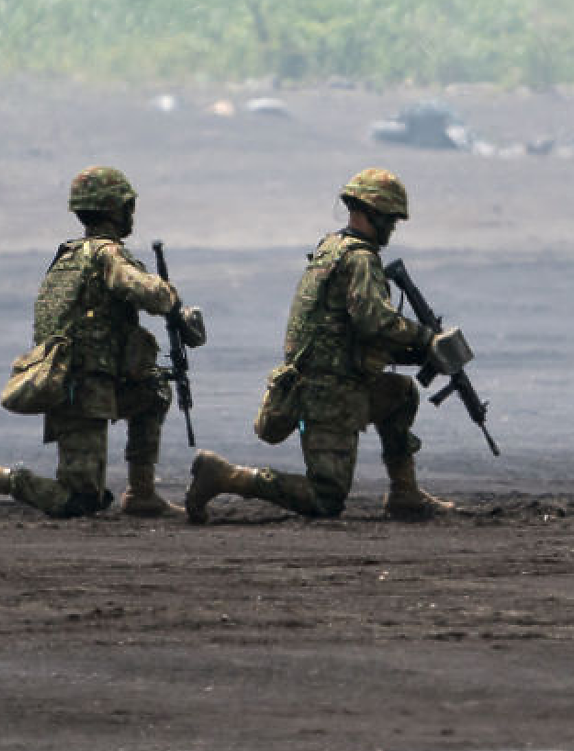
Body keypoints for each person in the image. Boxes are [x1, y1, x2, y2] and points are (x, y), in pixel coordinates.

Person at [183, 168, 458, 523]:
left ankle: (404, 494)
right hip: (330, 394)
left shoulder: (330, 249)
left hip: (333, 383)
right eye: (390, 218)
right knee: (326, 498)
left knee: (400, 394)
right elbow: (374, 321)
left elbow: (352, 331)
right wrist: (425, 338)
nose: (392, 227)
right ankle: (224, 475)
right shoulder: (359, 258)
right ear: (372, 212)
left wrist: (413, 350)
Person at [0, 166, 197, 521]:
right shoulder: (105, 254)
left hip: (90, 381)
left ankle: (142, 494)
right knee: (79, 501)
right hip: (82, 390)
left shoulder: (68, 258)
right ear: (115, 208)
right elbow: (147, 292)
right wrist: (172, 302)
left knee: (154, 390)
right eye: (127, 206)